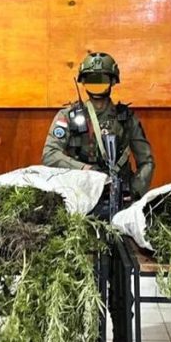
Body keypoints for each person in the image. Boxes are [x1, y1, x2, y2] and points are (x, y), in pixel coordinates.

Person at [41, 51, 154, 218]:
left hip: (120, 199)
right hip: (80, 197)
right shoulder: (68, 116)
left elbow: (147, 161)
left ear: (112, 81)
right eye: (92, 79)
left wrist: (134, 191)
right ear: (84, 82)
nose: (97, 84)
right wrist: (84, 169)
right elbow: (49, 154)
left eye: (102, 79)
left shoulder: (126, 118)